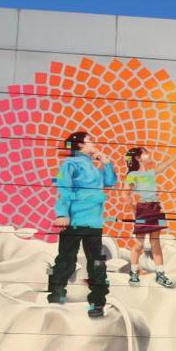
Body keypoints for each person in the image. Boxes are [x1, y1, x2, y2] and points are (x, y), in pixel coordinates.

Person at [48, 131, 116, 317]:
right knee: (66, 259)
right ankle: (56, 295)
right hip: (74, 220)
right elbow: (64, 188)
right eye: (89, 141)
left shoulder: (94, 166)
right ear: (80, 145)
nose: (93, 144)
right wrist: (62, 213)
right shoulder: (70, 164)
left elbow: (110, 182)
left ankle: (97, 302)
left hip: (94, 221)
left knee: (96, 262)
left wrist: (106, 162)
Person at [123, 146, 176, 287]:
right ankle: (134, 272)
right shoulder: (132, 175)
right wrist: (135, 209)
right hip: (143, 208)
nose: (149, 155)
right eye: (146, 153)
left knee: (155, 243)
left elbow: (167, 164)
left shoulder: (151, 173)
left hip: (155, 208)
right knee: (139, 244)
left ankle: (160, 274)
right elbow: (125, 193)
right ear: (138, 158)